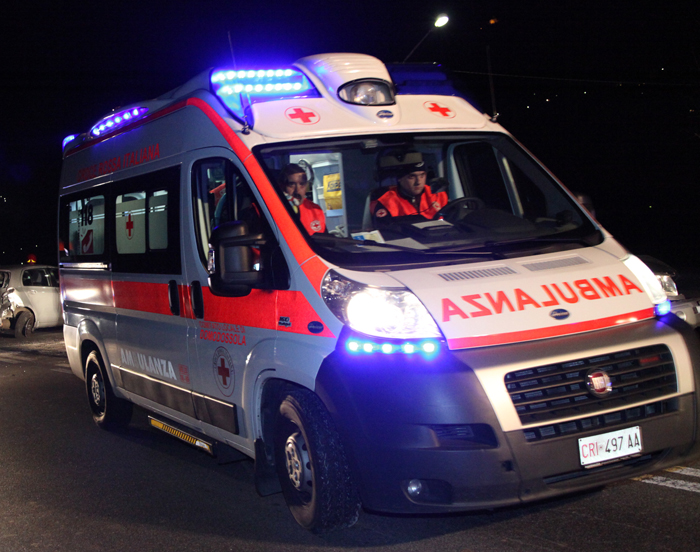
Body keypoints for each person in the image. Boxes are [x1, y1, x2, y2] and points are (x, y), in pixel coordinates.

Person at [372, 152, 448, 223]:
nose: (418, 182)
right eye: (412, 177)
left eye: (422, 175)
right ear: (400, 178)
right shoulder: (388, 201)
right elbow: (385, 231)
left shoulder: (438, 195)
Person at [278, 164, 326, 234]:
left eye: (302, 184)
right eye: (291, 184)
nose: (297, 190)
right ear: (282, 186)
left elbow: (326, 239)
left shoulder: (315, 210)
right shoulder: (276, 209)